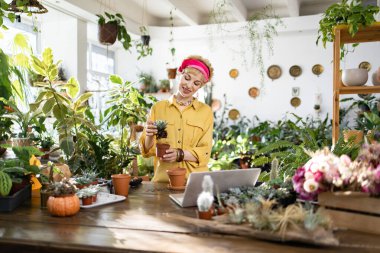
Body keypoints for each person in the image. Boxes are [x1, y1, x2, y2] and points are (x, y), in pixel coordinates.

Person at [139, 55, 214, 183]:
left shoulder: (205, 112)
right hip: (164, 181)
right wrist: (150, 135)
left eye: (196, 83)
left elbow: (205, 152)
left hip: (195, 182)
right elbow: (146, 152)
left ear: (200, 86)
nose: (189, 85)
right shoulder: (158, 108)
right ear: (180, 74)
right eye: (187, 78)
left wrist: (180, 154)